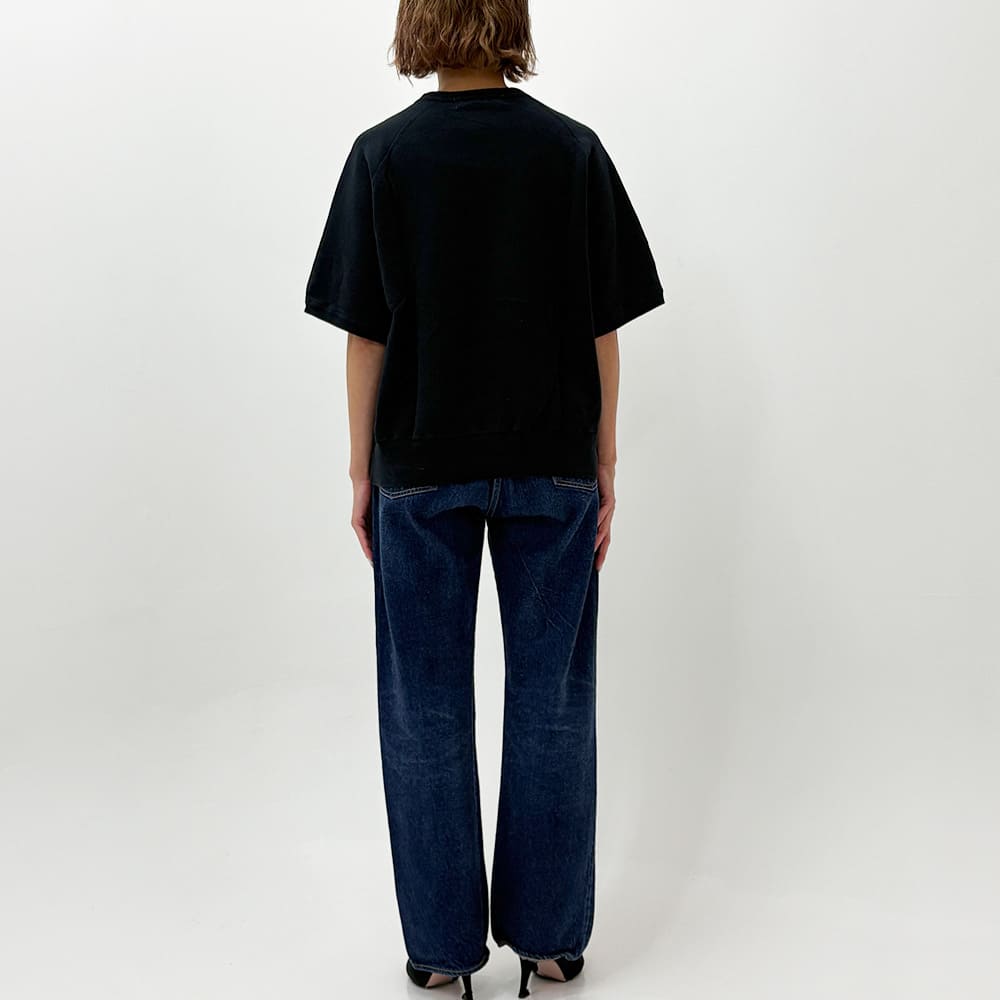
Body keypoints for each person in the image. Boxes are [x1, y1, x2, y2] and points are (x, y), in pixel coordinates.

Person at [303, 3, 664, 997]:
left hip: (420, 465)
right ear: (512, 18)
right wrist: (604, 456)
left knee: (423, 707)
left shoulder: (382, 157)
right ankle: (548, 942)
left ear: (417, 24)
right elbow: (601, 326)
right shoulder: (571, 153)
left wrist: (359, 468)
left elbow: (366, 334)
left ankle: (441, 953)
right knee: (553, 702)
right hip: (553, 460)